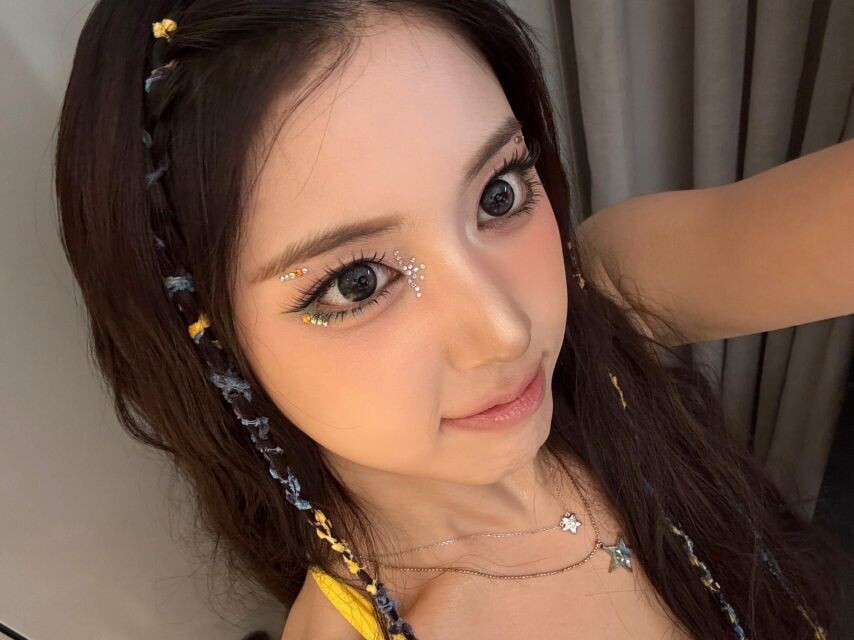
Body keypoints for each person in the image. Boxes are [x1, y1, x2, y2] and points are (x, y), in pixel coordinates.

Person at [53, 1, 853, 638]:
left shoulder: (611, 292)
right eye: (357, 282)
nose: (506, 331)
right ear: (206, 345)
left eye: (498, 194)